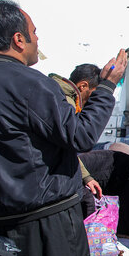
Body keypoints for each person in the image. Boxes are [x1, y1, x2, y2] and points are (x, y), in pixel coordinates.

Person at [0, 0, 127, 256]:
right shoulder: (30, 83)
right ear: (18, 39)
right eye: (34, 32)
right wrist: (106, 87)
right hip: (49, 226)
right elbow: (82, 135)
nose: (37, 39)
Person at [50, 63, 104, 199]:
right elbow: (71, 143)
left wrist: (86, 177)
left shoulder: (55, 94)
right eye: (92, 94)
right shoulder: (67, 102)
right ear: (83, 86)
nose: (91, 100)